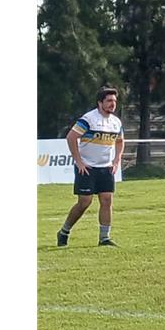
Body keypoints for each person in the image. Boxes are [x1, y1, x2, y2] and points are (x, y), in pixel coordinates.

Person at [56, 86, 125, 247]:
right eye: (109, 101)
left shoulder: (116, 122)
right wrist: (79, 161)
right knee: (84, 202)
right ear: (100, 102)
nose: (112, 104)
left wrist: (116, 160)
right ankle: (64, 231)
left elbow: (120, 141)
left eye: (114, 101)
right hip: (87, 168)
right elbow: (71, 137)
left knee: (107, 200)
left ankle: (104, 238)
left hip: (105, 167)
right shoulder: (88, 119)